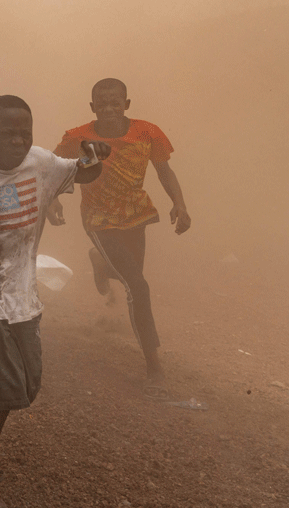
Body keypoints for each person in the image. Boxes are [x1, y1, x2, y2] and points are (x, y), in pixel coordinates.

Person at [0, 95, 108, 508]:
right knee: (4, 392)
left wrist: (94, 156)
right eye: (7, 133)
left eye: (25, 132)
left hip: (23, 293)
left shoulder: (40, 162)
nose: (19, 141)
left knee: (26, 390)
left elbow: (82, 173)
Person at [52, 78, 190, 383]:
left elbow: (164, 171)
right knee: (138, 287)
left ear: (127, 105)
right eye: (102, 104)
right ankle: (153, 363)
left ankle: (100, 262)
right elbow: (53, 168)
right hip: (99, 220)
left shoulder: (147, 133)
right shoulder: (78, 137)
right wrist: (53, 200)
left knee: (133, 281)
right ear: (92, 108)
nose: (109, 109)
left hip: (136, 215)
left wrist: (179, 204)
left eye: (116, 103)